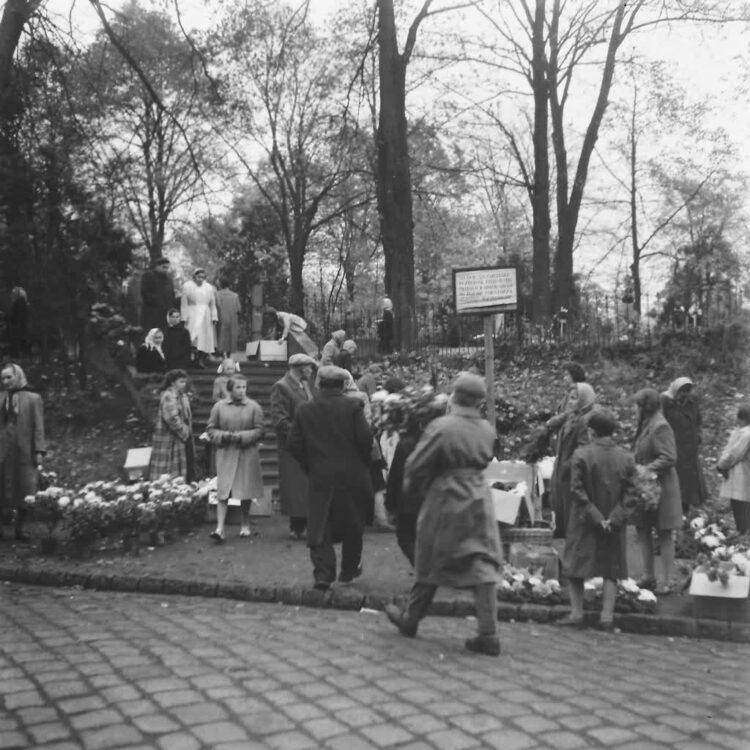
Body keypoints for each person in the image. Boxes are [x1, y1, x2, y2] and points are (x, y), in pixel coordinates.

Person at [383, 373, 503, 657]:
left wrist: (418, 491)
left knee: (430, 557)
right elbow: (486, 458)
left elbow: (416, 466)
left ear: (454, 396)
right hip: (478, 498)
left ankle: (410, 620)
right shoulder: (487, 428)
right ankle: (489, 633)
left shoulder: (442, 427)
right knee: (481, 561)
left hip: (445, 497)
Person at [287, 365, 373, 591]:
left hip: (320, 474)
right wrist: (361, 462)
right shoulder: (354, 405)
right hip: (353, 474)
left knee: (320, 523)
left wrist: (310, 464)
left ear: (319, 384)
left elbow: (294, 443)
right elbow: (365, 439)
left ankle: (323, 574)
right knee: (354, 523)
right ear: (343, 385)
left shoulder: (305, 409)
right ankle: (348, 569)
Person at [557, 408, 638, 631]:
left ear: (592, 431)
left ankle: (576, 613)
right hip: (614, 522)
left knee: (575, 565)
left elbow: (576, 489)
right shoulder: (626, 457)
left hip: (584, 519)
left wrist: (595, 516)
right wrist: (613, 518)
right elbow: (631, 494)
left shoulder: (581, 455)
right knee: (611, 567)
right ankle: (606, 617)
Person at [632, 388, 682, 595]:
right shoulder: (646, 424)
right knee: (642, 529)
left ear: (646, 406)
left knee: (664, 532)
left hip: (662, 487)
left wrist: (647, 469)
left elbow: (669, 457)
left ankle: (668, 580)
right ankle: (648, 576)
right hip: (645, 487)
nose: (634, 409)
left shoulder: (660, 426)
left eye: (637, 405)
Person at [207, 374, 264, 541]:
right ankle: (220, 528)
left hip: (247, 452)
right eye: (238, 387)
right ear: (230, 389)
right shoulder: (219, 407)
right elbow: (211, 429)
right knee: (224, 490)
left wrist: (242, 436)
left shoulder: (253, 407)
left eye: (244, 387)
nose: (241, 391)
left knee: (245, 489)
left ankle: (245, 523)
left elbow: (260, 430)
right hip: (226, 452)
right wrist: (223, 436)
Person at [270, 353, 316, 540]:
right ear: (300, 367)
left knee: (305, 485)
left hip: (308, 444)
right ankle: (297, 526)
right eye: (310, 367)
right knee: (295, 485)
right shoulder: (281, 386)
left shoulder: (304, 385)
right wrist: (299, 437)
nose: (312, 371)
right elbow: (279, 419)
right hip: (293, 446)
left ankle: (303, 524)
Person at [0, 363, 45, 542]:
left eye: (9, 377)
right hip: (3, 449)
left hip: (24, 449)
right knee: (2, 487)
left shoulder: (33, 398)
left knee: (25, 487)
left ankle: (21, 528)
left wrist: (39, 449)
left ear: (18, 376)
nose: (5, 381)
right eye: (2, 378)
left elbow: (38, 426)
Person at [548, 382, 596, 538]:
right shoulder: (571, 417)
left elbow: (584, 450)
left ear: (584, 400)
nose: (570, 402)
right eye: (569, 398)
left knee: (572, 519)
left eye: (574, 398)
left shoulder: (585, 421)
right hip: (562, 472)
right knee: (561, 512)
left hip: (572, 475)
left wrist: (567, 465)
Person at [661, 377, 707, 512]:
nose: (685, 394)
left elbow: (698, 420)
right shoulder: (665, 401)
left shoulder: (692, 402)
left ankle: (685, 512)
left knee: (688, 483)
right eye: (682, 391)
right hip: (673, 448)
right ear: (676, 390)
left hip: (689, 450)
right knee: (674, 481)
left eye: (688, 390)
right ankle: (672, 512)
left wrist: (698, 435)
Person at [149, 369, 195, 482]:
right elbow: (171, 418)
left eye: (185, 382)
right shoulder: (169, 396)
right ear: (172, 382)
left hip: (180, 437)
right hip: (170, 436)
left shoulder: (181, 395)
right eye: (181, 382)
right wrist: (184, 431)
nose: (184, 384)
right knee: (168, 463)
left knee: (181, 464)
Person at [717, 402, 750, 534]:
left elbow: (735, 454)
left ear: (742, 418)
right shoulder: (741, 432)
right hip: (740, 473)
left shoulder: (746, 434)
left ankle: (743, 538)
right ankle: (743, 536)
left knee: (740, 508)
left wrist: (721, 465)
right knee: (740, 507)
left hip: (741, 474)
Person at [181, 269, 218, 367]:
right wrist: (184, 318)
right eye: (199, 277)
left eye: (203, 277)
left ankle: (201, 359)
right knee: (193, 337)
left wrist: (214, 316)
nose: (201, 279)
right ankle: (192, 359)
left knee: (205, 337)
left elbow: (213, 304)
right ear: (194, 277)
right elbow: (184, 304)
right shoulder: (187, 286)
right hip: (192, 313)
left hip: (205, 314)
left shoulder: (209, 288)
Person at [141, 257, 176, 332]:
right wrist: (157, 302)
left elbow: (172, 294)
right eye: (163, 267)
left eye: (167, 267)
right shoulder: (148, 276)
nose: (166, 270)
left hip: (166, 313)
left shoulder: (169, 279)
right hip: (152, 313)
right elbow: (145, 293)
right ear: (157, 266)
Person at [215, 278, 241, 357]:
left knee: (221, 336)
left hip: (221, 317)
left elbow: (217, 305)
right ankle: (228, 355)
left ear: (220, 285)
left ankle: (222, 354)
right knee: (230, 336)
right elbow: (239, 309)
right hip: (232, 318)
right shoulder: (235, 295)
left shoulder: (217, 294)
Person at [6, 287, 30, 357]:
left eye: (13, 294)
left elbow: (11, 317)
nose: (11, 296)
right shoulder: (27, 305)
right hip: (24, 334)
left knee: (15, 354)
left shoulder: (16, 305)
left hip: (15, 334)